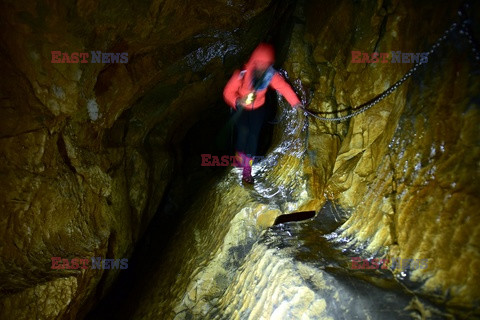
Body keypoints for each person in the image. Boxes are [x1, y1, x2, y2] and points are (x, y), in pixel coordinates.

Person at [223, 43, 303, 183]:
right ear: (254, 61)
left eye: (266, 65)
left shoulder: (271, 75)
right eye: (260, 64)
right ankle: (238, 160)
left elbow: (283, 87)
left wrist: (296, 103)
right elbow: (227, 92)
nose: (262, 68)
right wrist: (237, 101)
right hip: (241, 109)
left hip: (258, 109)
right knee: (243, 133)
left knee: (253, 136)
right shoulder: (242, 74)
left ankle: (247, 171)